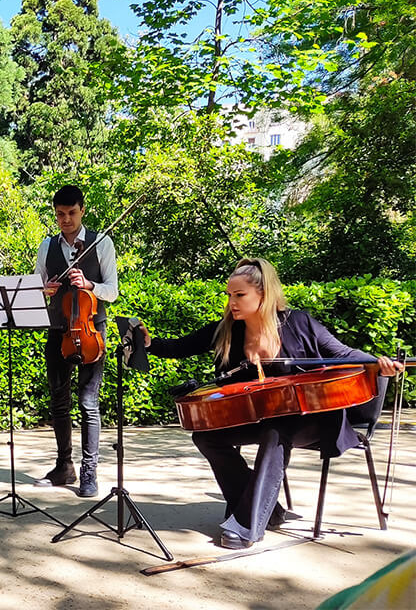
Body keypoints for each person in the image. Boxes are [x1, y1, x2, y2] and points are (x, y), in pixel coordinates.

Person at [139, 257, 402, 549]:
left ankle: (248, 525)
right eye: (229, 295)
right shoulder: (229, 329)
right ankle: (269, 510)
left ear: (263, 295)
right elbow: (180, 346)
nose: (231, 303)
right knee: (207, 437)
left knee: (276, 430)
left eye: (239, 295)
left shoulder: (299, 323)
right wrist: (149, 343)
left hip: (313, 417)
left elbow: (344, 354)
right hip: (260, 417)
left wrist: (378, 365)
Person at [34, 185, 119, 496]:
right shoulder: (47, 246)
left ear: (82, 210)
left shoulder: (102, 243)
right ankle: (63, 467)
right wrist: (46, 290)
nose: (65, 219)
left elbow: (113, 290)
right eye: (60, 214)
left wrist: (90, 284)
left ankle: (89, 471)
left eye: (71, 213)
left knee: (88, 403)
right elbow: (37, 284)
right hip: (57, 329)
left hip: (91, 330)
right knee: (59, 401)